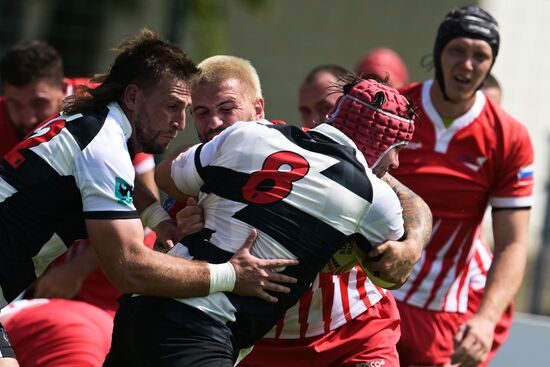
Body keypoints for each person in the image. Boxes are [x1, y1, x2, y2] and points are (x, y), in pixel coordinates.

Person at [0, 30, 296, 366]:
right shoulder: (103, 146)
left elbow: (123, 179)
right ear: (133, 97)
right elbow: (128, 267)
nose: (179, 123)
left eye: (185, 110)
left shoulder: (91, 124)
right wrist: (230, 274)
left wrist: (159, 219)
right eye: (172, 106)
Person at [105, 60, 422, 364]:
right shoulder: (372, 193)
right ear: (380, 145)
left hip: (142, 307)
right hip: (204, 327)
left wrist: (210, 198)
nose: (395, 164)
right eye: (396, 151)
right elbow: (391, 273)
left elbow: (167, 176)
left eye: (226, 109)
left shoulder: (250, 136)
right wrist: (204, 203)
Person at [241, 62, 430, 367]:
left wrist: (412, 245)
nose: (314, 119)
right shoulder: (275, 147)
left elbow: (413, 201)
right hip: (267, 338)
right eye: (305, 110)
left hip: (356, 332)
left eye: (324, 107)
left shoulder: (366, 174)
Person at [392, 5, 534, 366]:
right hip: (373, 294)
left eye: (480, 55)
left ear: (491, 64)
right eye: (457, 50)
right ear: (438, 52)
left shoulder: (509, 138)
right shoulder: (395, 110)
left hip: (443, 311)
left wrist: (486, 321)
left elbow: (513, 242)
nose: (467, 65)